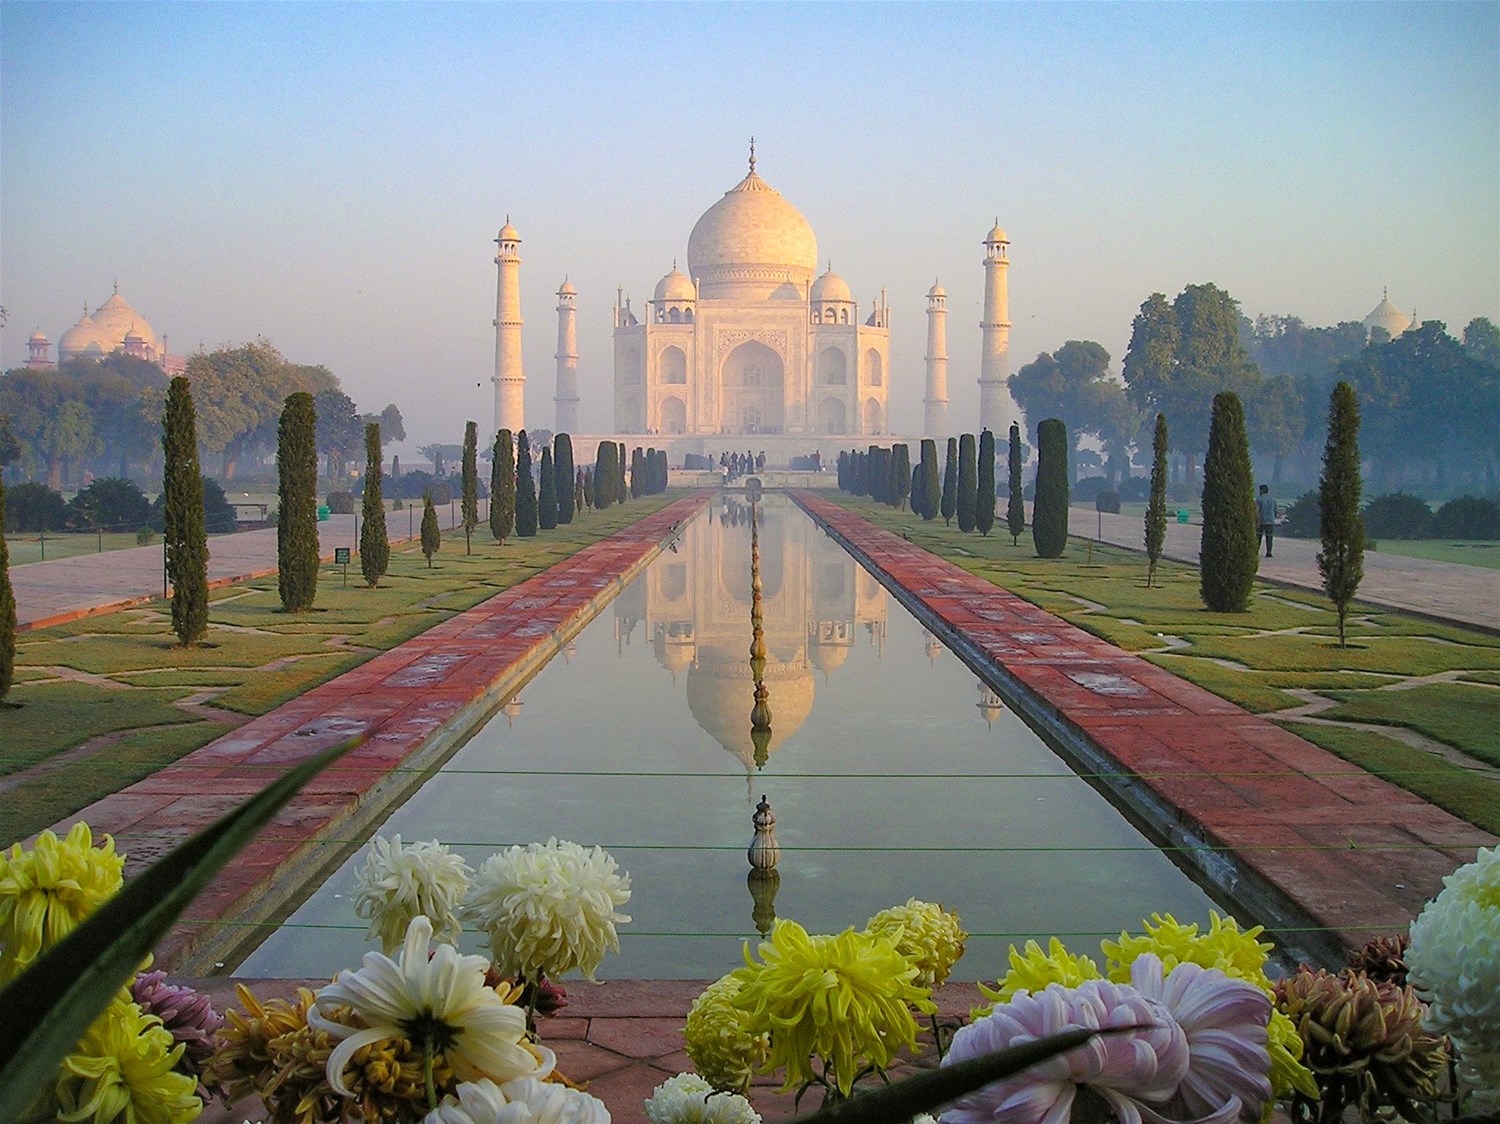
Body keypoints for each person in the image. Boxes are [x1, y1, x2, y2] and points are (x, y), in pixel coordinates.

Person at [1256, 484, 1277, 558]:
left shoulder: (1259, 499)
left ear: (1261, 490)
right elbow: (1275, 510)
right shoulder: (1273, 499)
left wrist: (1257, 520)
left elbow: (1257, 510)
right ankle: (1269, 552)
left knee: (1258, 536)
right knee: (1269, 537)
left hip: (1261, 520)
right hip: (1270, 520)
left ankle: (1256, 551)